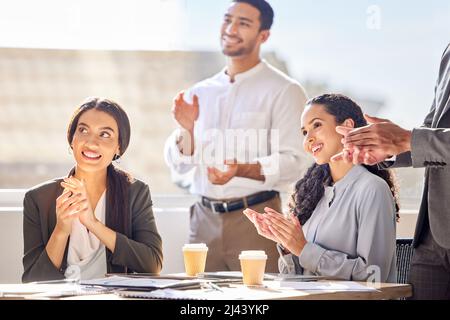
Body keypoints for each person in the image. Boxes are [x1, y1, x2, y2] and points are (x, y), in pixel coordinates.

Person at [164, 0, 308, 272]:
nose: (230, 28)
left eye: (243, 23)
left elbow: (296, 162)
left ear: (263, 35)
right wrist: (187, 130)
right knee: (199, 299)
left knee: (259, 298)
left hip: (257, 221)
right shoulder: (199, 92)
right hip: (203, 221)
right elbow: (180, 165)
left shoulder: (284, 90)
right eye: (227, 19)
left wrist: (240, 170)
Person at [334, 44, 450, 299]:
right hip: (433, 236)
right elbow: (432, 129)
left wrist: (408, 139)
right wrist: (390, 150)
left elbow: (420, 138)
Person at [244, 94, 399, 282]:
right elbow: (296, 279)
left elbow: (374, 275)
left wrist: (303, 249)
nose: (308, 138)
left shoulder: (372, 190)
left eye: (316, 125)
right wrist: (286, 243)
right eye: (304, 132)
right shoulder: (313, 195)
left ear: (347, 127)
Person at [22, 98, 163, 282]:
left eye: (105, 134)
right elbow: (32, 282)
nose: (91, 142)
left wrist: (93, 223)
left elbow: (152, 265)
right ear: (72, 139)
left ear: (118, 147)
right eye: (83, 130)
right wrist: (61, 230)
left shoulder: (135, 193)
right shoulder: (38, 198)